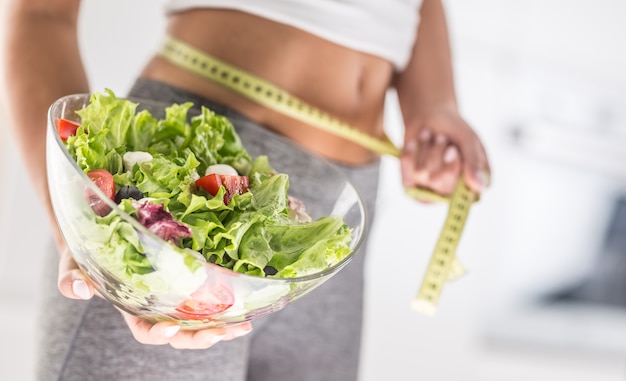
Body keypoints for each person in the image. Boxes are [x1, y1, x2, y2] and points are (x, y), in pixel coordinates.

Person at [1, 0, 491, 380]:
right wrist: (85, 234)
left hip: (332, 222)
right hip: (180, 189)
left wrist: (434, 103)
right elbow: (42, 14)